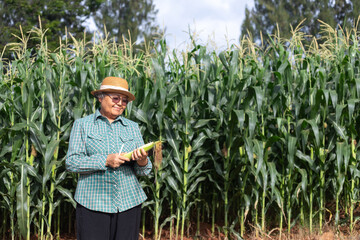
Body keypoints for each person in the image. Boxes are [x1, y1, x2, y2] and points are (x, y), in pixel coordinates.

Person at [66, 76, 152, 240]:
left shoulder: (132, 128)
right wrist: (105, 160)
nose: (120, 103)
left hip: (129, 202)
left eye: (124, 101)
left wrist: (142, 160)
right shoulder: (82, 125)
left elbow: (145, 171)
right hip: (93, 203)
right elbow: (71, 162)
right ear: (100, 97)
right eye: (115, 98)